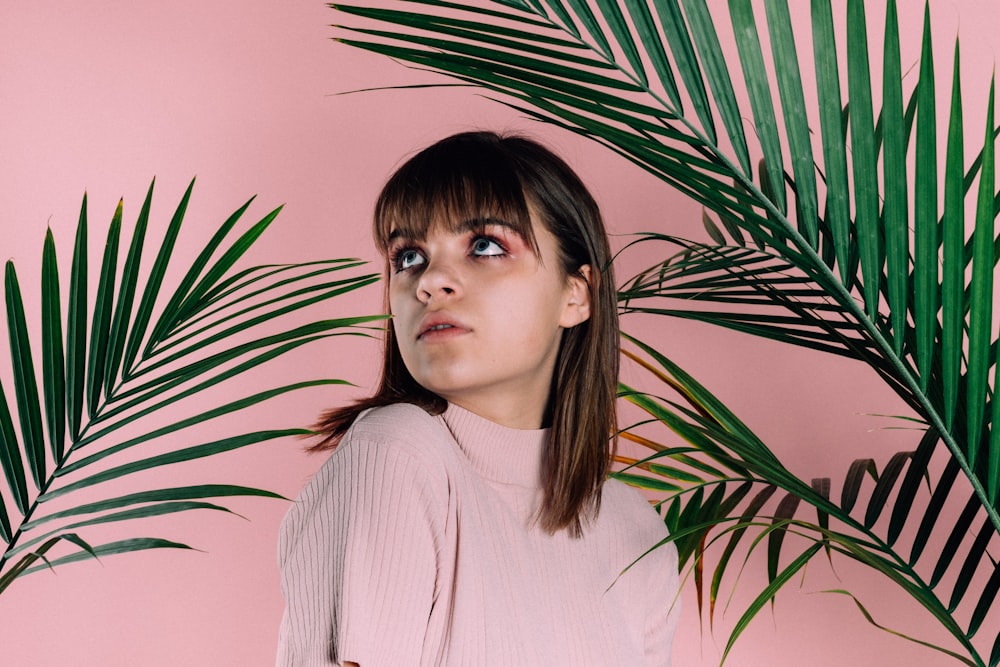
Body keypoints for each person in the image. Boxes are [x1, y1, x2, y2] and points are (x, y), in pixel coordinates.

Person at [276, 131, 680, 666]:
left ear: (575, 294)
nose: (431, 282)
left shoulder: (634, 528)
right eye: (409, 256)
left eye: (485, 245)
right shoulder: (398, 453)